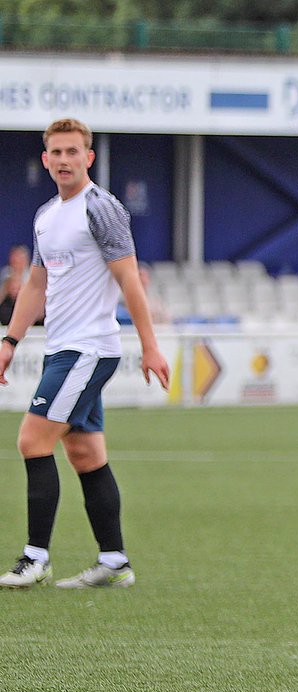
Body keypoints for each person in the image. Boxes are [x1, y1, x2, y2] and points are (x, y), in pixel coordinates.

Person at [0, 118, 171, 591]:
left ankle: (35, 559)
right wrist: (9, 342)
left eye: (72, 152)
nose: (63, 160)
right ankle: (114, 563)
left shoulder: (101, 208)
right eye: (55, 152)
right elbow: (37, 284)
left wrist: (150, 345)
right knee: (83, 451)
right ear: (45, 159)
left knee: (32, 441)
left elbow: (129, 279)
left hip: (88, 349)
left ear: (89, 157)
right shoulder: (46, 215)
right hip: (62, 348)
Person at [1, 244, 33, 326]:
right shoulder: (6, 274)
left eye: (20, 259)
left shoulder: (32, 276)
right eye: (14, 259)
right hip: (8, 312)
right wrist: (6, 288)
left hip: (27, 310)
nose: (17, 262)